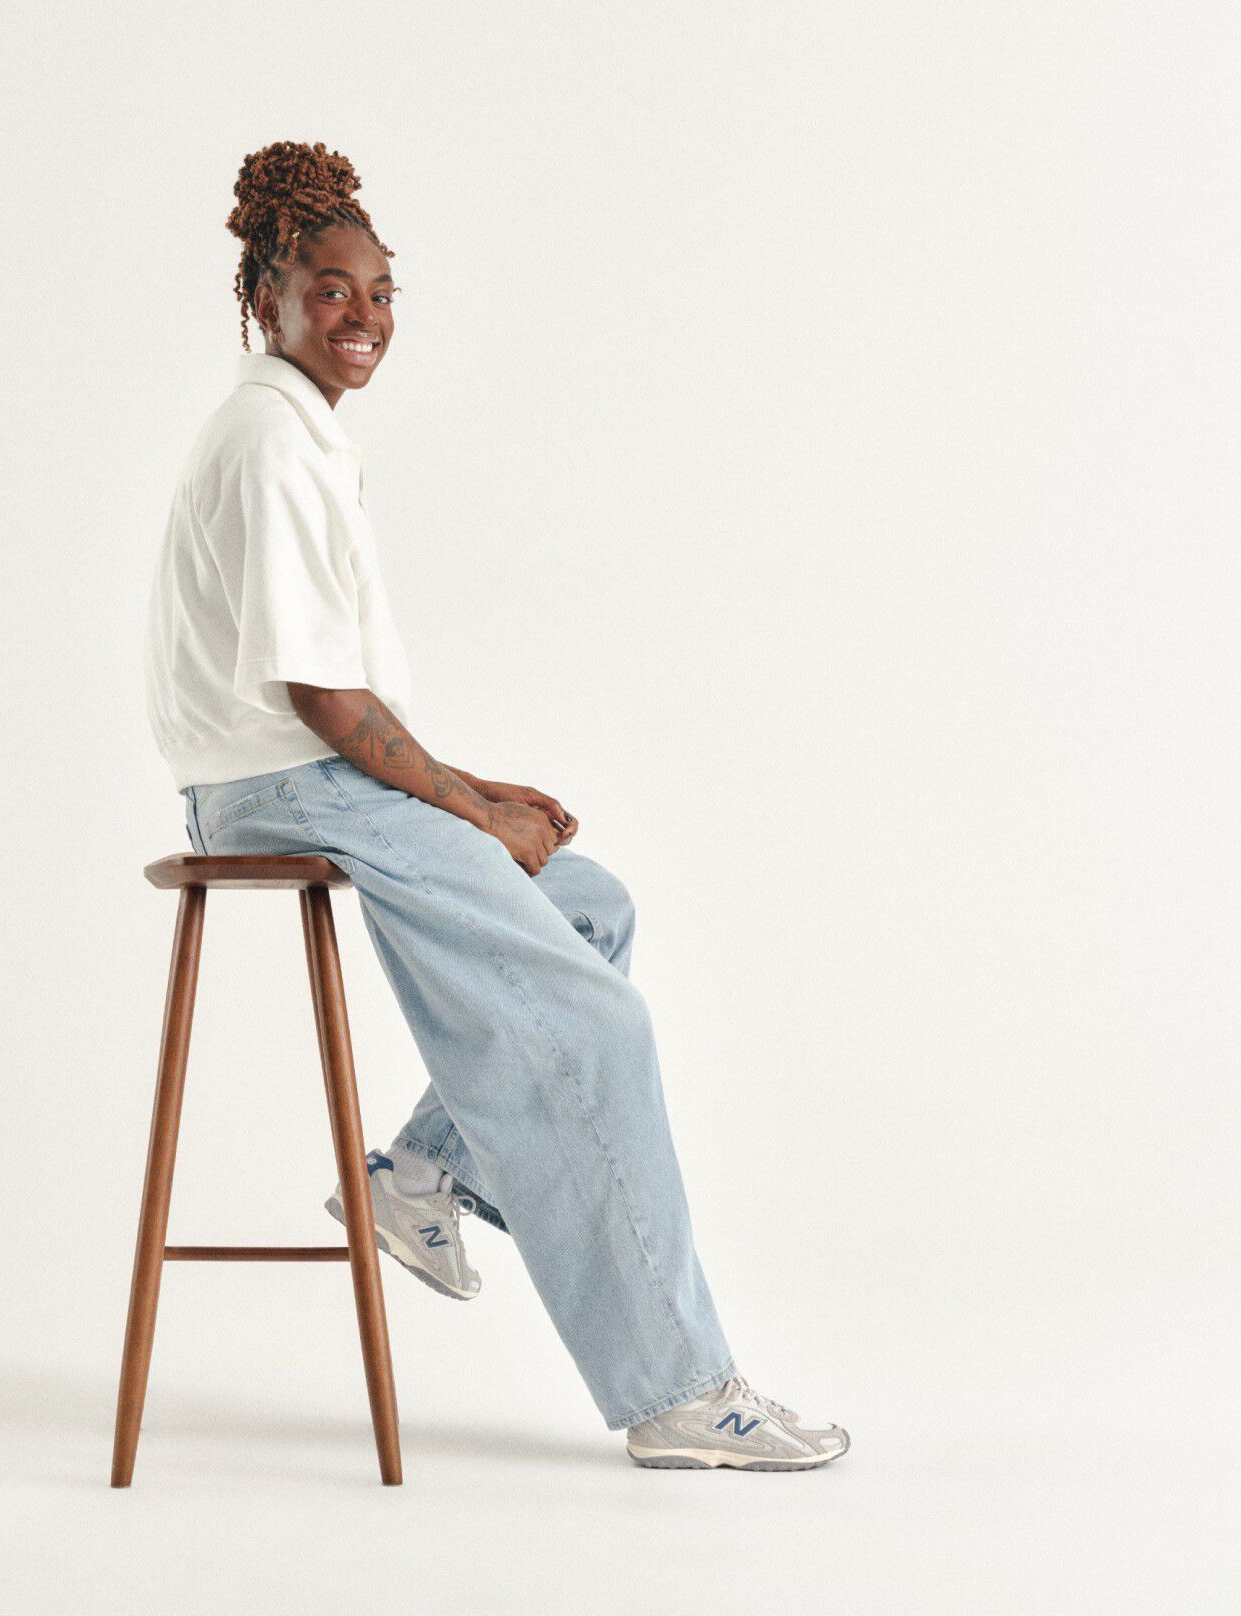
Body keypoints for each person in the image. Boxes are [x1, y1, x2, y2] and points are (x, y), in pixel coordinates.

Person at [142, 139, 849, 1471]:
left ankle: (418, 1174)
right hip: (280, 785)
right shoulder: (273, 443)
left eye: (383, 292)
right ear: (267, 294)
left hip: (289, 775)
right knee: (596, 1025)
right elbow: (322, 705)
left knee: (585, 907)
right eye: (331, 289)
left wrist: (475, 798)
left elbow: (336, 703)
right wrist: (466, 802)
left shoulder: (287, 427)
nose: (364, 317)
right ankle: (678, 1392)